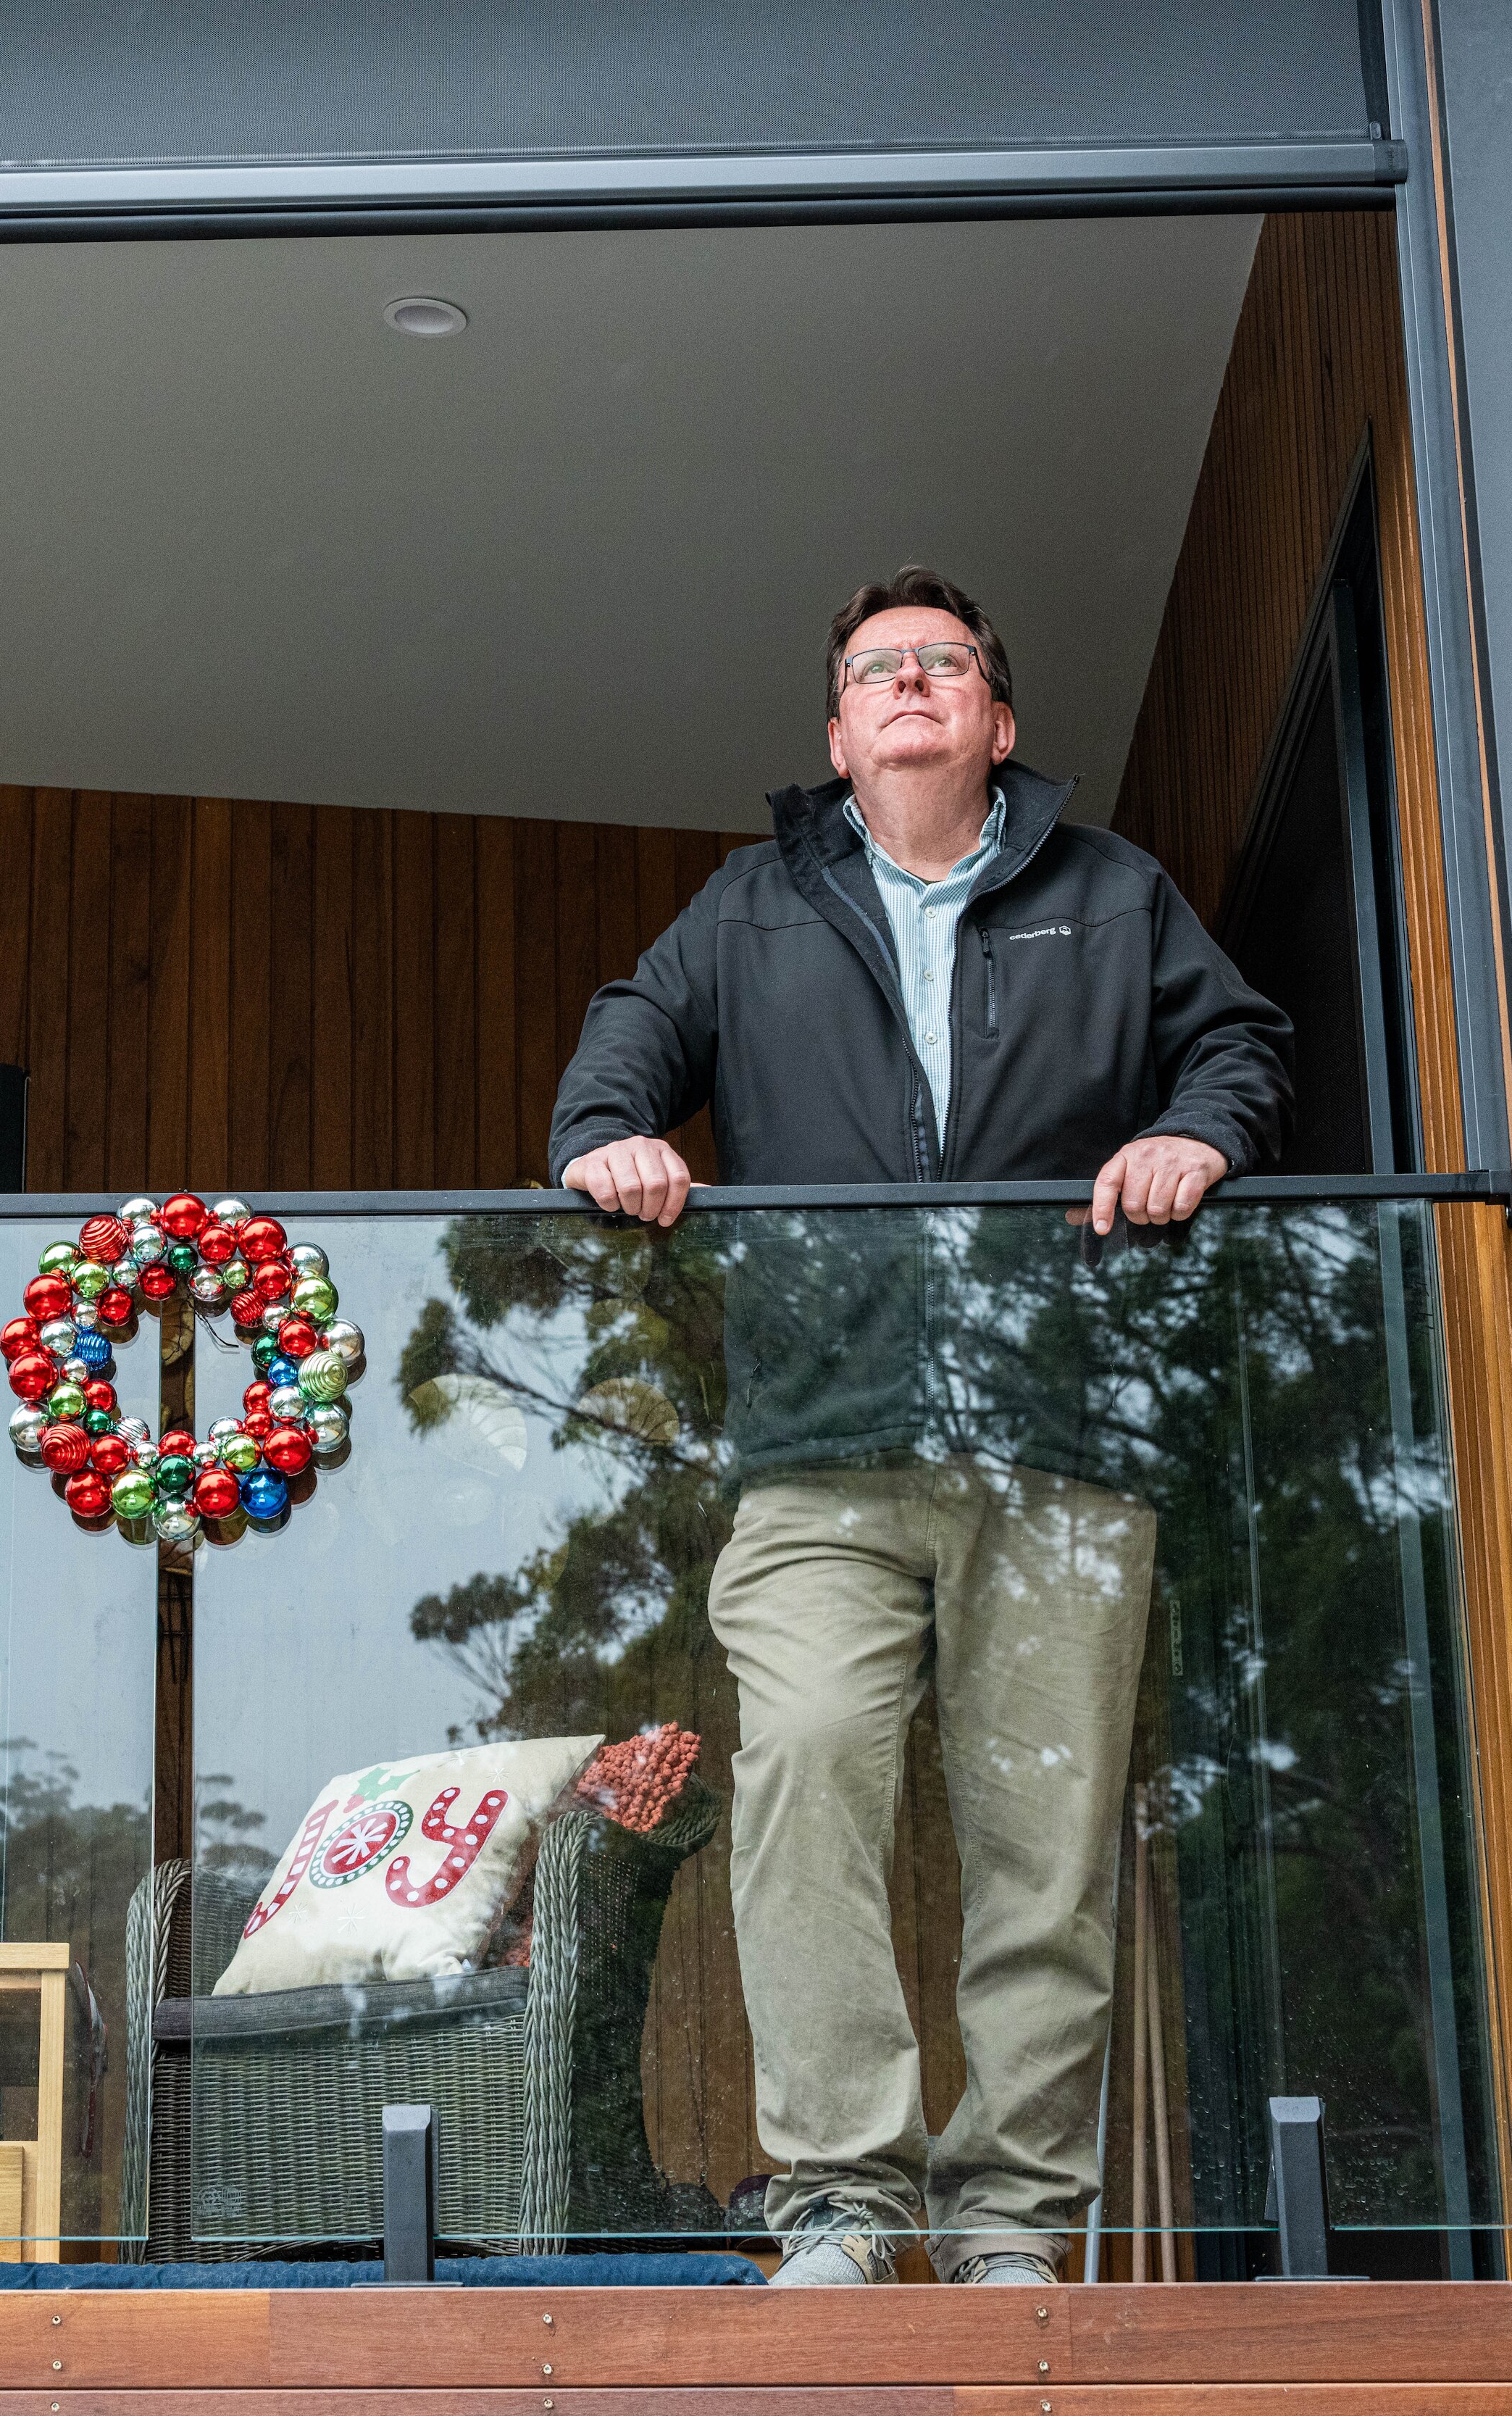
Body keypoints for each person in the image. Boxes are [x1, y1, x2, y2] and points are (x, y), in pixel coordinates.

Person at [546, 565, 1290, 2289]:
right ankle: (844, 2199)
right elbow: (627, 1041)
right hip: (821, 1443)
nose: (905, 684)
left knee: (1048, 1850)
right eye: (873, 668)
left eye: (938, 663)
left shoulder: (1112, 895)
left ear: (995, 718)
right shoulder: (752, 904)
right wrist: (610, 1135)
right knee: (803, 1762)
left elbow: (1242, 1049)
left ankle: (1016, 2220)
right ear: (836, 730)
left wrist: (1198, 1137)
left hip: (1059, 1440)